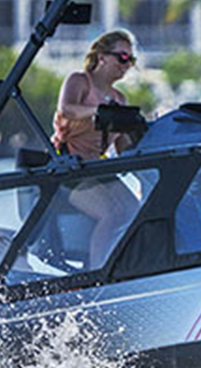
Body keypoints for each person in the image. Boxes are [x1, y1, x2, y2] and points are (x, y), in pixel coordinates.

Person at [53, 30, 144, 265]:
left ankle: (121, 266)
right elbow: (67, 109)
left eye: (131, 60)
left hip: (97, 167)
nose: (127, 65)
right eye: (122, 58)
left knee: (135, 210)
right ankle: (97, 271)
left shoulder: (120, 99)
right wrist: (99, 112)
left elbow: (124, 148)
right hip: (68, 166)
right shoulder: (80, 81)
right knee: (112, 213)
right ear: (102, 57)